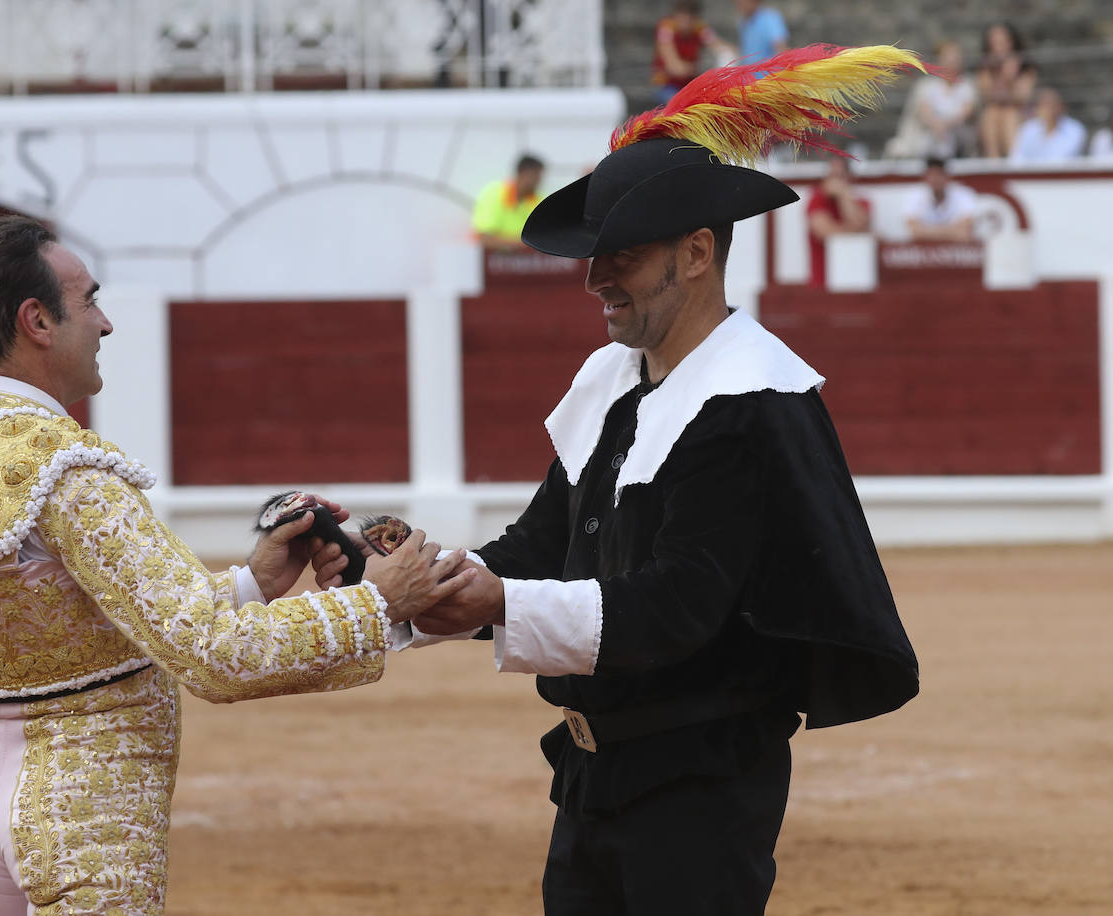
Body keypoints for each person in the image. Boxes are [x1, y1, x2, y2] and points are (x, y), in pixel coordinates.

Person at [314, 45, 921, 915]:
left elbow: (679, 604)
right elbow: (542, 543)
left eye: (624, 257)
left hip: (704, 782)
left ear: (698, 253)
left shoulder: (750, 402)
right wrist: (422, 579)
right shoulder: (616, 379)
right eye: (597, 255)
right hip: (595, 772)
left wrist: (495, 605)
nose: (597, 279)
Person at [0, 215, 475, 915]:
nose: (105, 323)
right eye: (89, 301)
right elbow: (215, 658)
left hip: (7, 799)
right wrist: (378, 602)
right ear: (37, 321)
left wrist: (252, 584)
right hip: (91, 819)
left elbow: (76, 623)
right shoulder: (65, 468)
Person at [650, 1, 735, 106]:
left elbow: (719, 45)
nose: (686, 20)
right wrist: (704, 68)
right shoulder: (666, 29)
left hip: (689, 86)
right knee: (678, 106)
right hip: (667, 86)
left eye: (690, 15)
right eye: (682, 14)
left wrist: (729, 55)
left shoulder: (699, 28)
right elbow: (674, 67)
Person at [806, 157, 872, 288]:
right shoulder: (817, 200)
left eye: (839, 176)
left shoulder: (863, 202)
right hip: (823, 282)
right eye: (832, 176)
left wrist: (843, 195)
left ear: (849, 177)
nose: (835, 182)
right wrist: (855, 232)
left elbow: (860, 223)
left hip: (856, 281)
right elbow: (825, 233)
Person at [975, 22, 1036, 158]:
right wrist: (1003, 77)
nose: (999, 47)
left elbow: (1023, 97)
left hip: (1020, 113)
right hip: (995, 113)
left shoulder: (1025, 65)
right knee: (991, 114)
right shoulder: (985, 67)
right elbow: (986, 96)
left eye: (1003, 42)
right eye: (995, 43)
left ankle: (1013, 161)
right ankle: (994, 161)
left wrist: (1010, 81)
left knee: (1009, 115)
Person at [472, 154, 545, 250]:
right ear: (523, 173)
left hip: (527, 262)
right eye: (536, 177)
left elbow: (544, 239)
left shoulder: (538, 200)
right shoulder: (494, 194)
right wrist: (526, 244)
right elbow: (485, 239)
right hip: (495, 261)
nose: (539, 182)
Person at [904, 157, 978, 241]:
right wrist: (952, 232)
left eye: (939, 174)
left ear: (947, 176)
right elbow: (914, 232)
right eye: (931, 175)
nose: (935, 179)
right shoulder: (914, 195)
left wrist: (926, 232)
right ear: (925, 177)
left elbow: (965, 231)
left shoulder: (964, 194)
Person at [1009, 88, 1087, 163]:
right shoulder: (1027, 128)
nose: (1049, 109)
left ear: (1061, 106)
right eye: (1044, 104)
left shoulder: (1075, 129)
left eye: (1052, 104)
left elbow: (1065, 159)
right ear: (1037, 108)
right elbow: (1017, 158)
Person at [735, 0, 788, 66]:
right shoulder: (744, 21)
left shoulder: (770, 18)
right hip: (750, 74)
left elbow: (780, 47)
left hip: (769, 74)